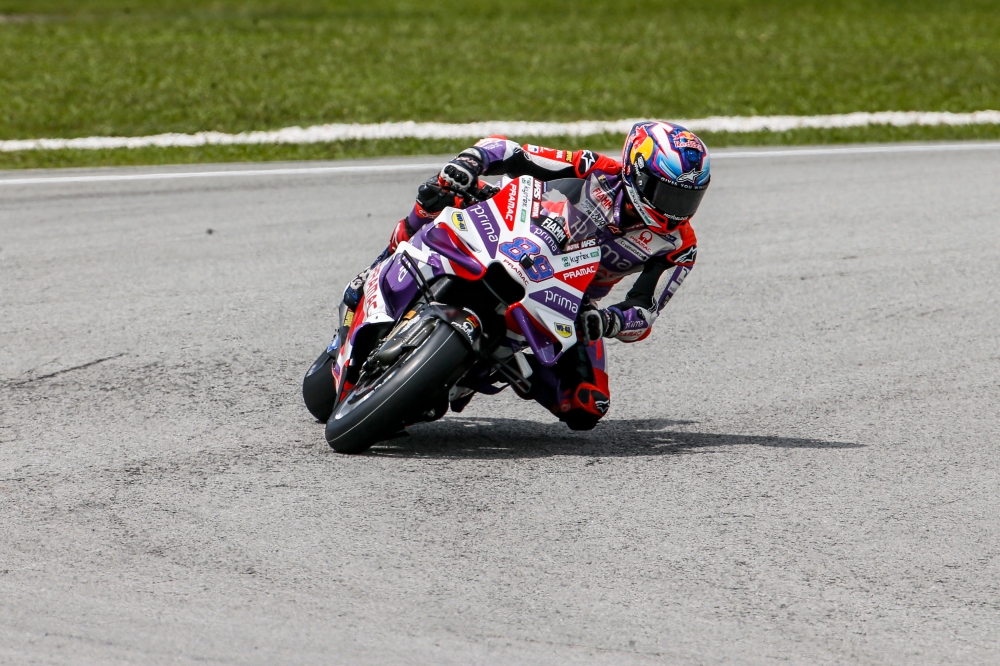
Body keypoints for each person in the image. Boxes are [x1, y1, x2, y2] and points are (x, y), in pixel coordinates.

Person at [343, 121, 710, 430]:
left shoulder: (679, 246)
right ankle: (380, 266)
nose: (675, 210)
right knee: (439, 193)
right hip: (512, 232)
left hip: (568, 299)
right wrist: (472, 161)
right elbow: (511, 152)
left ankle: (484, 368)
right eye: (667, 194)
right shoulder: (594, 168)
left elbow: (646, 311)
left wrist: (608, 322)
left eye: (687, 199)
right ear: (636, 172)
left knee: (587, 407)